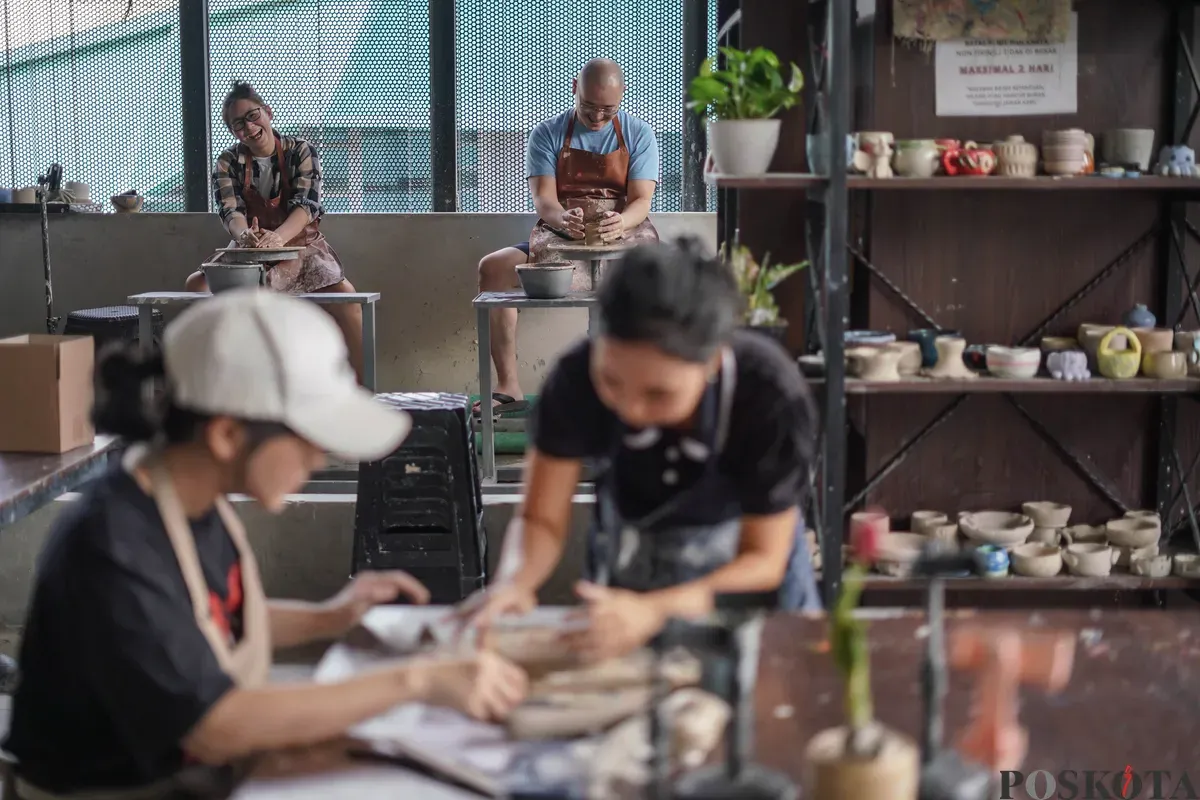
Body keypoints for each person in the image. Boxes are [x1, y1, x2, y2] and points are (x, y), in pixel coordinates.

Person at [1, 290, 527, 799]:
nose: (318, 460)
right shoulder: (113, 542)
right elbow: (214, 727)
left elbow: (204, 622)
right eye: (305, 439)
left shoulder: (195, 502)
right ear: (228, 435)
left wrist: (331, 618)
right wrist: (415, 680)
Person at [459, 238, 821, 661]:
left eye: (658, 393)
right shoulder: (575, 381)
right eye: (612, 381)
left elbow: (762, 558)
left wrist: (654, 610)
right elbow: (540, 518)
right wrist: (513, 584)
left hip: (749, 596)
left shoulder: (767, 394)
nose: (631, 411)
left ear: (713, 362)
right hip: (629, 577)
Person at [474, 58, 661, 417]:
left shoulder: (639, 133)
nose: (598, 118)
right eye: (590, 107)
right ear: (574, 87)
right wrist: (563, 218)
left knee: (666, 280)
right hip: (563, 235)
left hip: (624, 234)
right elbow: (544, 199)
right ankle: (509, 386)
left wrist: (619, 222)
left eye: (609, 109)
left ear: (621, 99)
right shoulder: (548, 133)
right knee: (493, 268)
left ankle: (633, 387)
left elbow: (641, 201)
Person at [187, 81, 367, 385]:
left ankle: (364, 389)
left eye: (253, 116)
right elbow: (231, 211)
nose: (249, 127)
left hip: (299, 244)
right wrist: (245, 237)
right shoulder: (227, 162)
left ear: (268, 113)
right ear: (234, 132)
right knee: (196, 286)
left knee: (348, 299)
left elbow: (307, 206)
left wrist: (278, 238)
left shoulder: (301, 150)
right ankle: (207, 392)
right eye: (238, 124)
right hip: (249, 248)